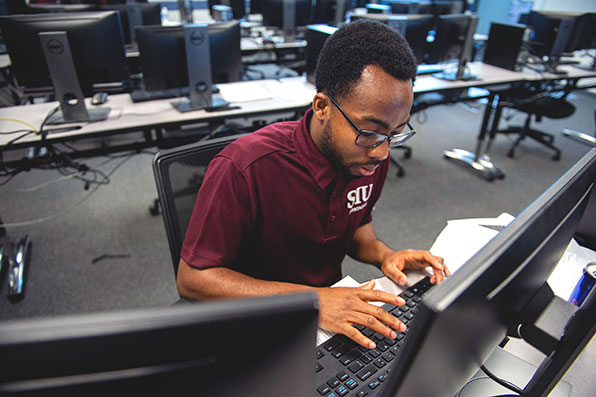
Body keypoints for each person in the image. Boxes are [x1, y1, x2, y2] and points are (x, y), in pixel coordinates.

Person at [178, 20, 450, 349]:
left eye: (395, 133)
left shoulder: (368, 156)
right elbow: (193, 279)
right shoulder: (244, 167)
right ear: (321, 106)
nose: (382, 151)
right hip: (253, 324)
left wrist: (385, 255)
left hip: (327, 318)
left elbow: (356, 226)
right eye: (370, 132)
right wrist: (316, 300)